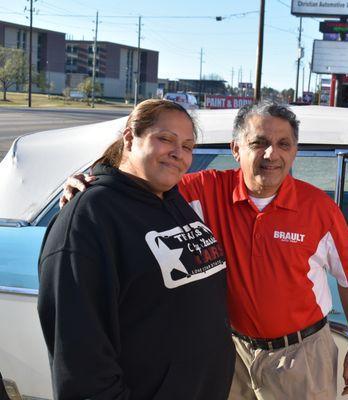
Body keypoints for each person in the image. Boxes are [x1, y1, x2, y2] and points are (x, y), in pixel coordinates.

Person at [63, 101, 348, 399]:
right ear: (236, 149)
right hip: (232, 355)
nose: (272, 154)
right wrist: (96, 180)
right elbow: (143, 177)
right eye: (259, 143)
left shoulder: (320, 208)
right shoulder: (204, 190)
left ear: (294, 152)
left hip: (301, 356)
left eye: (284, 144)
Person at [38, 99, 235, 400]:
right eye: (165, 139)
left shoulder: (172, 198)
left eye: (188, 146)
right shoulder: (89, 219)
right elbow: (81, 360)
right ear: (130, 138)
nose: (178, 154)